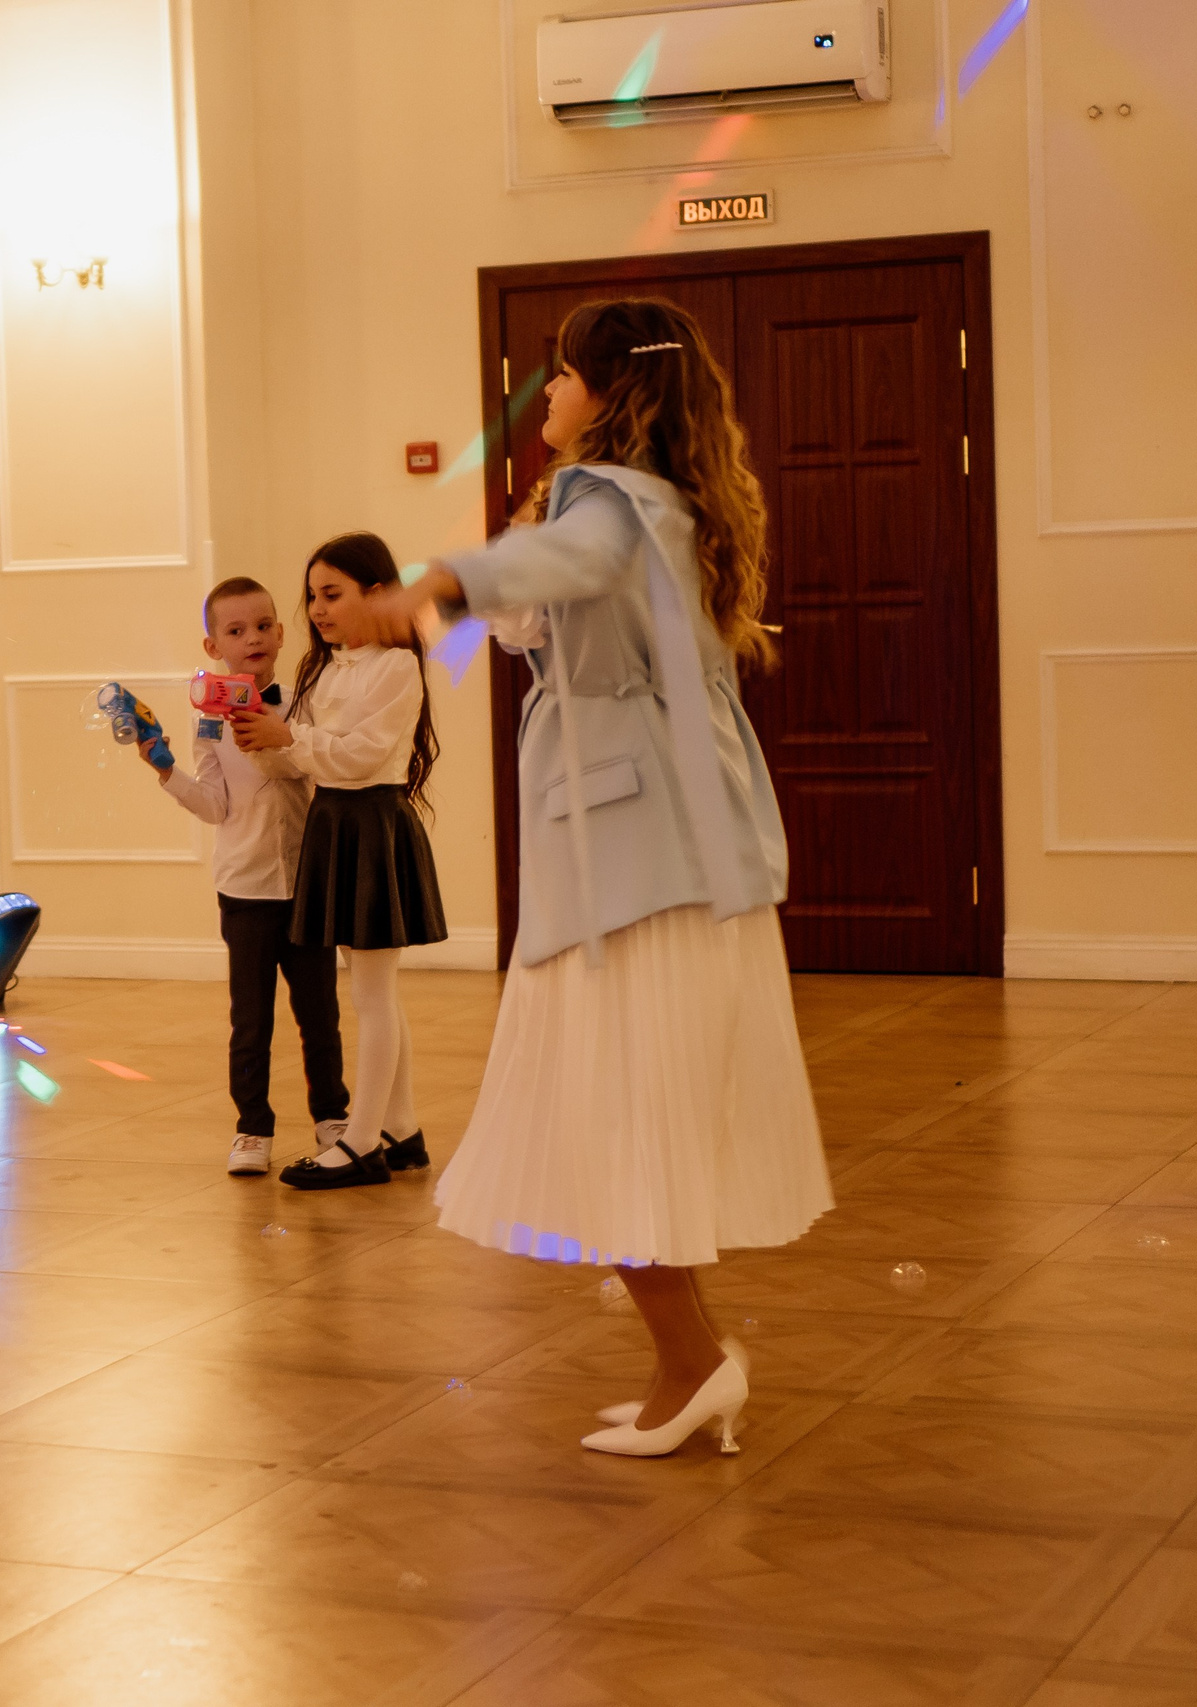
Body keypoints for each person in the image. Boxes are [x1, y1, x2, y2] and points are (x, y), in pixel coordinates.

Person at [359, 297, 831, 1457]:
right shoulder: (659, 504)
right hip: (665, 855)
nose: (546, 396)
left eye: (560, 377)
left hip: (636, 866)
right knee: (624, 1118)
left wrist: (430, 586)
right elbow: (541, 608)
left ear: (608, 391)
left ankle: (691, 1362)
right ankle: (692, 1366)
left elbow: (559, 563)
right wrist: (463, 601)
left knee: (609, 1116)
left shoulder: (608, 504)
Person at [227, 533, 445, 1190]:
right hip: (333, 825)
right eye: (313, 596)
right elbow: (299, 760)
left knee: (371, 992)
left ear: (375, 593)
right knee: (374, 989)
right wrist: (257, 736)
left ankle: (361, 1141)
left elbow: (357, 755)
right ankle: (400, 1130)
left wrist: (289, 735)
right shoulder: (322, 669)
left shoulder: (397, 667)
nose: (317, 610)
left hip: (372, 825)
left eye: (332, 594)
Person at [141, 576, 348, 1176]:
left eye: (262, 626)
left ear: (281, 632)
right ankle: (252, 1127)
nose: (251, 638)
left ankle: (333, 1117)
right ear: (213, 647)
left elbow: (316, 773)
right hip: (245, 889)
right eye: (235, 631)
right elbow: (215, 805)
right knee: (250, 1018)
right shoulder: (208, 720)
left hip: (307, 887)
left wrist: (275, 734)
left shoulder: (306, 702)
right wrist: (166, 770)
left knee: (320, 1014)